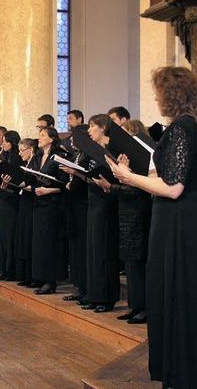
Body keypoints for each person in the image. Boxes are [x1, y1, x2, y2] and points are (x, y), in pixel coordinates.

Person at [107, 66, 197, 387]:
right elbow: (165, 176)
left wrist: (129, 178)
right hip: (176, 217)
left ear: (171, 95)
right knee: (170, 290)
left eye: (159, 92)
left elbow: (174, 187)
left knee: (181, 292)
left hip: (182, 219)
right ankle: (177, 365)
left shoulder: (183, 129)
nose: (156, 98)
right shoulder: (186, 127)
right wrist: (134, 172)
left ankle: (186, 371)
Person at [76, 115, 120, 313]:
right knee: (93, 250)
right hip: (93, 201)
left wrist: (107, 184)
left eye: (92, 126)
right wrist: (79, 174)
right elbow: (89, 173)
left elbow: (120, 178)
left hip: (107, 204)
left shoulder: (113, 150)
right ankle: (94, 294)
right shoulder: (91, 151)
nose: (89, 130)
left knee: (104, 250)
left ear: (103, 128)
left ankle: (106, 296)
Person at [109, 119, 152, 324]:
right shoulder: (125, 158)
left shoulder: (142, 157)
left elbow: (139, 187)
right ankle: (134, 305)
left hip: (139, 212)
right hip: (125, 212)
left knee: (139, 260)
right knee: (130, 261)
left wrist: (123, 175)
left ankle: (144, 306)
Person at [30, 127, 68, 294]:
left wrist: (48, 190)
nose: (39, 138)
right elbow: (30, 176)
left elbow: (64, 183)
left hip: (53, 204)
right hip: (38, 203)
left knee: (49, 243)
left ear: (52, 139)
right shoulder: (37, 156)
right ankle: (40, 277)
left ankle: (50, 280)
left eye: (43, 135)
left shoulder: (59, 156)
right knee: (39, 243)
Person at [59, 126, 89, 302]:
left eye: (73, 138)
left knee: (82, 249)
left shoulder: (87, 156)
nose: (70, 141)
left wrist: (74, 174)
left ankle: (85, 287)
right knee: (75, 249)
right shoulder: (76, 155)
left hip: (83, 206)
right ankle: (78, 286)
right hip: (73, 206)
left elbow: (86, 178)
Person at [0, 130, 22, 280]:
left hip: (12, 198)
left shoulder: (17, 158)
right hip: (1, 197)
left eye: (5, 141)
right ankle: (2, 267)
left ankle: (11, 269)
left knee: (10, 234)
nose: (3, 143)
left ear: (13, 142)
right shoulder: (3, 157)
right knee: (1, 234)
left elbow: (18, 179)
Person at [14, 138, 38, 286]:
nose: (19, 153)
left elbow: (34, 182)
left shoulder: (35, 163)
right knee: (23, 237)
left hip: (32, 203)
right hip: (24, 202)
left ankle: (32, 276)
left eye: (22, 150)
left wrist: (23, 185)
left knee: (29, 237)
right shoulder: (25, 164)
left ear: (30, 150)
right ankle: (25, 275)